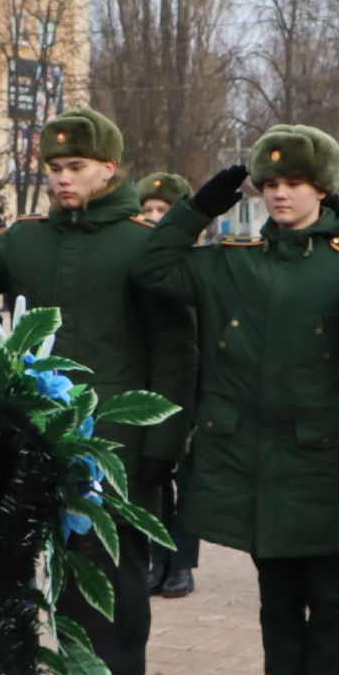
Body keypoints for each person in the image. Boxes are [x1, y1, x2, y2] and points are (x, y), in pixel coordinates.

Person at [136, 127, 339, 675]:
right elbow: (151, 270)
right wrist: (199, 206)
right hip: (251, 460)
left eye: (294, 183)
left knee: (329, 599)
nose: (280, 193)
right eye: (270, 184)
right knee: (277, 602)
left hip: (322, 456)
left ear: (322, 188)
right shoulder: (234, 262)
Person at [0, 106, 197, 675]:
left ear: (109, 168)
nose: (61, 180)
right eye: (53, 169)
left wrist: (163, 445)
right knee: (31, 570)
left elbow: (175, 351)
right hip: (34, 436)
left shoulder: (143, 243)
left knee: (113, 571)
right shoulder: (26, 240)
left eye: (75, 167)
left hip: (115, 443)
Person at [132, 172, 199, 598]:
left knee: (187, 480)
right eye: (148, 210)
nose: (155, 217)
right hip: (150, 383)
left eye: (164, 210)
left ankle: (183, 564)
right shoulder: (136, 262)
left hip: (195, 388)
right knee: (156, 479)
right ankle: (158, 558)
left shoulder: (199, 263)